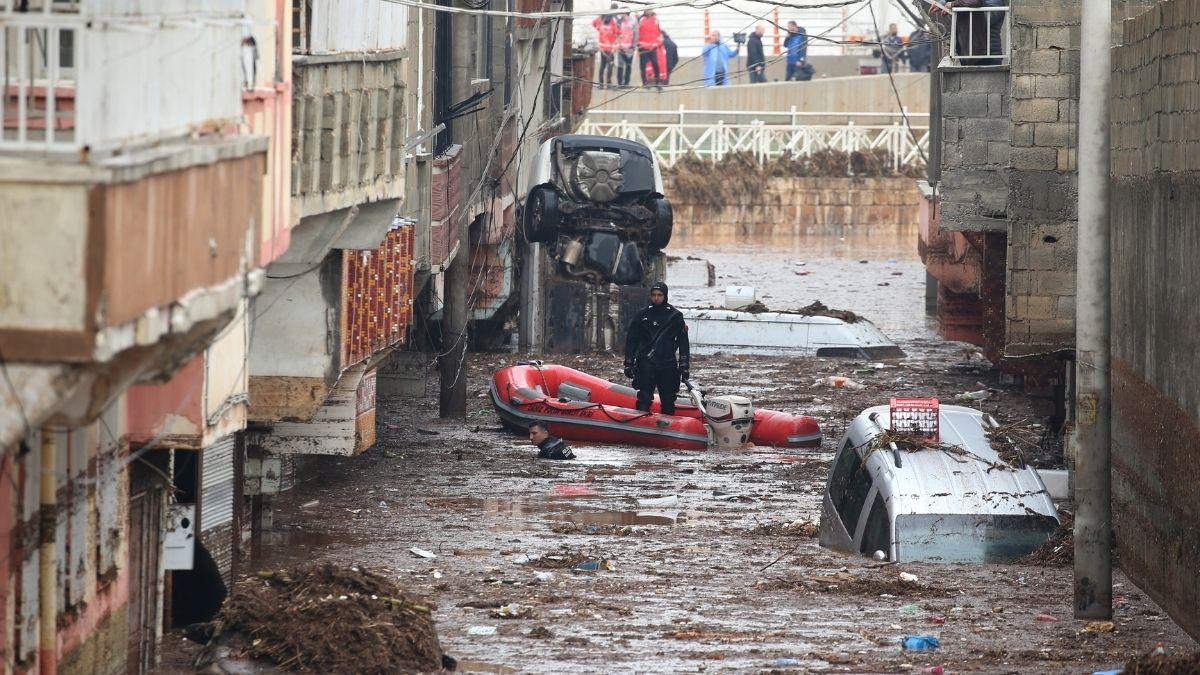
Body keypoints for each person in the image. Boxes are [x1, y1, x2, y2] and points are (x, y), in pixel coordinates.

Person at [623, 282, 690, 415]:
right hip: (646, 363)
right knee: (644, 399)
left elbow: (683, 343)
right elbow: (632, 340)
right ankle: (640, 428)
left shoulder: (675, 316)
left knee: (668, 400)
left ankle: (668, 430)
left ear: (665, 296)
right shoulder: (642, 315)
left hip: (667, 364)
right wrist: (629, 363)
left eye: (660, 295)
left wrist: (684, 365)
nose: (656, 298)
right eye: (653, 295)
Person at [636, 9, 664, 88]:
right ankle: (644, 83)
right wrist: (637, 44)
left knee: (655, 64)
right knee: (643, 66)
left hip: (653, 47)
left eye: (650, 10)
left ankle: (657, 82)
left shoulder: (656, 20)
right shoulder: (640, 19)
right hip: (643, 47)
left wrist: (657, 43)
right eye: (648, 10)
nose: (649, 11)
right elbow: (636, 32)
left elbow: (658, 32)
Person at [593, 14, 617, 87]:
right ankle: (608, 83)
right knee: (609, 66)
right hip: (608, 49)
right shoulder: (612, 24)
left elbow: (594, 23)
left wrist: (601, 16)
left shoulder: (601, 25)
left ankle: (601, 84)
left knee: (603, 66)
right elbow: (617, 34)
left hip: (605, 49)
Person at [615, 10, 636, 86]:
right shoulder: (618, 22)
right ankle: (620, 83)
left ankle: (626, 83)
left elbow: (636, 34)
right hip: (621, 48)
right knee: (620, 66)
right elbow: (616, 34)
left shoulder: (633, 22)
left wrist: (633, 46)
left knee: (628, 66)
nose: (621, 14)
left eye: (622, 13)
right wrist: (617, 45)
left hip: (630, 49)